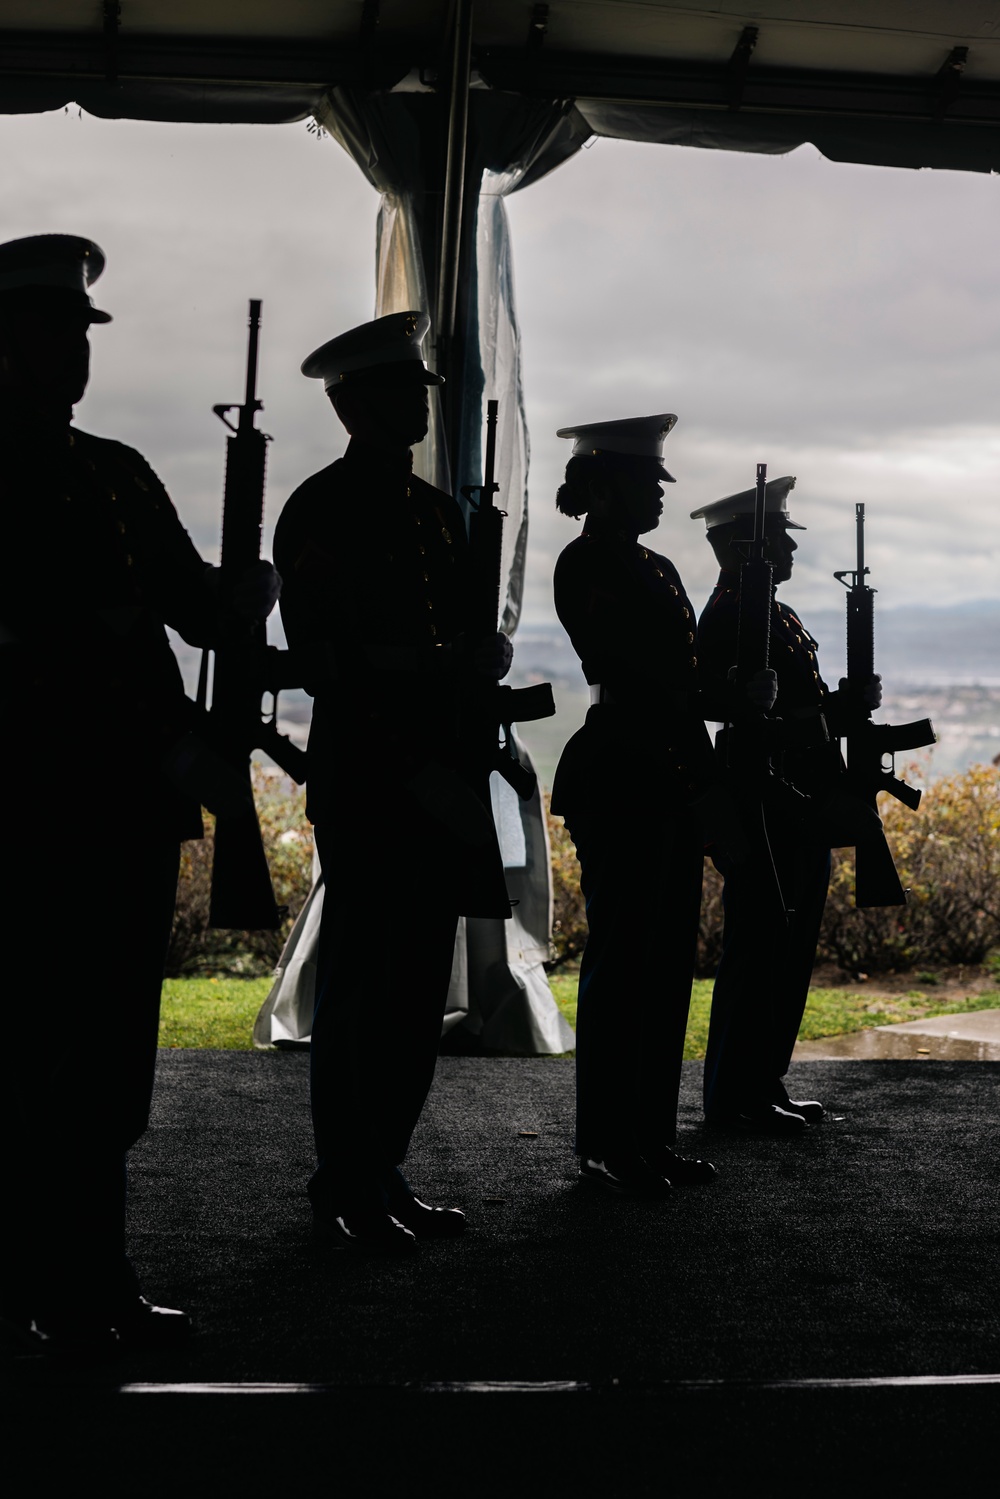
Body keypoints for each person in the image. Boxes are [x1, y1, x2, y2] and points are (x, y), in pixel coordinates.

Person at [0, 234, 281, 1354]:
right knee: (27, 1048)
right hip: (28, 796)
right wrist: (89, 630)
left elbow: (193, 604)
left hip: (128, 796)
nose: (74, 350)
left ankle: (95, 1276)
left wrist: (244, 589)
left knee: (112, 1053)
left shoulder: (115, 468)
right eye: (53, 329)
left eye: (80, 332)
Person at [273, 310, 513, 1254]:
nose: (419, 401)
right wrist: (433, 673)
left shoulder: (438, 514)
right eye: (401, 390)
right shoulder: (319, 510)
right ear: (352, 404)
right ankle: (345, 1178)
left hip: (440, 771)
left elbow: (454, 638)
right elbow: (326, 660)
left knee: (415, 991)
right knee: (365, 989)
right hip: (373, 773)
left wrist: (479, 657)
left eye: (418, 388)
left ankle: (385, 1166)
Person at [549, 414, 758, 1197]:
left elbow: (686, 677)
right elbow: (641, 679)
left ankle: (649, 1135)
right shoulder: (586, 564)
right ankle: (607, 1141)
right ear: (602, 486)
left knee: (667, 965)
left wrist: (736, 696)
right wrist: (708, 726)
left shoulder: (662, 569)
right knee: (624, 962)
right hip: (623, 774)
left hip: (668, 774)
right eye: (643, 483)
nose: (658, 496)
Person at [691, 475, 880, 1134]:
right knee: (760, 946)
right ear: (744, 546)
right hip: (764, 799)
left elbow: (801, 710)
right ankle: (732, 1095)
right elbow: (739, 715)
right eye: (778, 537)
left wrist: (841, 708)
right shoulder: (729, 617)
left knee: (790, 946)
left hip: (799, 798)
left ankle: (762, 1081)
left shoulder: (774, 613)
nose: (791, 549)